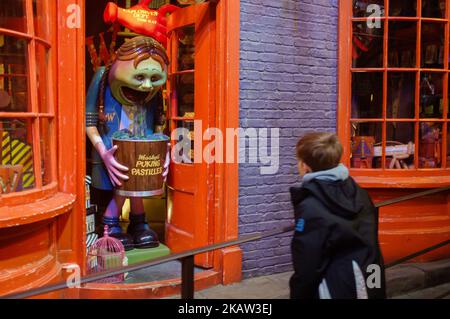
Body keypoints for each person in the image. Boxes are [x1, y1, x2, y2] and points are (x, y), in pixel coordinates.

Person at [86, 36, 170, 250]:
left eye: (154, 78)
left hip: (142, 147)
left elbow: (159, 120)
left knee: (137, 184)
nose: (147, 85)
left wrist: (163, 151)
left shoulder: (153, 93)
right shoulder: (102, 77)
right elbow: (88, 121)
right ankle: (111, 227)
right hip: (112, 148)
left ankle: (138, 224)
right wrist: (103, 152)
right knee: (123, 185)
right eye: (140, 77)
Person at [289, 132, 386, 299]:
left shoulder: (311, 208)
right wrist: (376, 288)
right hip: (366, 281)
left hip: (336, 287)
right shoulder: (359, 193)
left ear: (305, 166)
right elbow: (372, 247)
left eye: (298, 160)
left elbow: (307, 267)